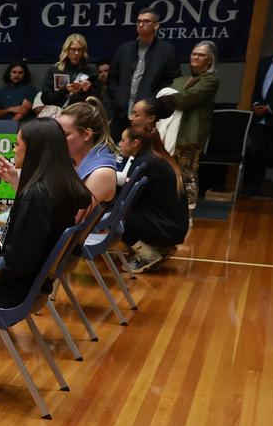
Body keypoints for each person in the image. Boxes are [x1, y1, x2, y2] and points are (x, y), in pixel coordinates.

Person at [0, 118, 92, 385]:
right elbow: (27, 247)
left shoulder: (35, 196)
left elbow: (16, 264)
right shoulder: (62, 186)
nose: (14, 150)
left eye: (18, 145)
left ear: (34, 150)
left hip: (11, 289)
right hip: (34, 285)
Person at [117, 125, 189, 272]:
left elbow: (126, 198)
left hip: (164, 228)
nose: (120, 144)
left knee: (113, 211)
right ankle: (160, 248)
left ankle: (147, 255)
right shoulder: (157, 157)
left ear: (135, 143)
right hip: (172, 226)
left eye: (123, 140)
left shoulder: (144, 162)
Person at [108, 8, 181, 140]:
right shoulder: (124, 49)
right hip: (121, 113)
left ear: (156, 25)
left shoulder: (167, 51)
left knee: (141, 151)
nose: (141, 24)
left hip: (147, 115)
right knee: (115, 151)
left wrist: (152, 103)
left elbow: (171, 80)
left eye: (146, 21)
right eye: (139, 21)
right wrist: (118, 98)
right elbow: (112, 78)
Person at [167, 42, 218, 211]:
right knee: (172, 170)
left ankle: (188, 207)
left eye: (201, 55)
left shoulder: (210, 80)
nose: (196, 57)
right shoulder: (182, 79)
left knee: (187, 170)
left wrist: (171, 96)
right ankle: (174, 204)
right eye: (194, 54)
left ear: (210, 61)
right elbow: (170, 96)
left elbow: (186, 99)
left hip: (192, 132)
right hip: (174, 130)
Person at [58, 98, 118, 212]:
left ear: (86, 134)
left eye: (64, 134)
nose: (57, 138)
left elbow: (67, 220)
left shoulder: (101, 173)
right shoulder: (75, 161)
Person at [244, 32, 273, 199]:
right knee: (256, 152)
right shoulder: (264, 64)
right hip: (260, 117)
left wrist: (270, 108)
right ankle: (253, 186)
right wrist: (256, 104)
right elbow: (255, 86)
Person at [40, 34, 98, 109]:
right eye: (73, 49)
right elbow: (45, 99)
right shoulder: (55, 70)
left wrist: (86, 91)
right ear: (66, 50)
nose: (76, 53)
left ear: (83, 51)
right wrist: (65, 90)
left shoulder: (90, 71)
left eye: (79, 50)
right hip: (60, 113)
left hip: (81, 113)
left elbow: (97, 100)